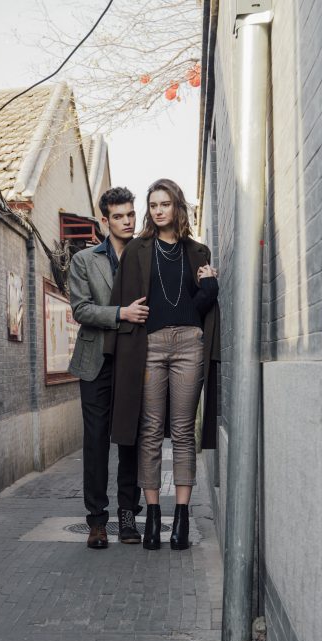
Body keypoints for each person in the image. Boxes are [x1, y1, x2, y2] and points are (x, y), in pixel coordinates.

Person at [107, 179, 220, 550]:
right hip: (151, 346)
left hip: (189, 344)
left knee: (183, 430)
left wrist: (209, 288)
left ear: (177, 207)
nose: (158, 211)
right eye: (153, 205)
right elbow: (122, 301)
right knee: (151, 430)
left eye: (165, 204)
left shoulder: (198, 251)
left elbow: (197, 307)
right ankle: (153, 518)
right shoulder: (137, 250)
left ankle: (182, 518)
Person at [67, 187, 147, 548]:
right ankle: (97, 521)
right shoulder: (84, 260)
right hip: (95, 361)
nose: (127, 221)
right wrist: (121, 313)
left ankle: (128, 517)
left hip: (133, 359)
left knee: (130, 439)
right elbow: (81, 309)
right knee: (96, 442)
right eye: (118, 216)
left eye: (130, 214)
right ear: (104, 221)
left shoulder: (145, 254)